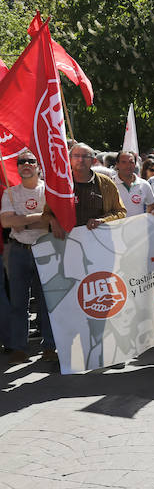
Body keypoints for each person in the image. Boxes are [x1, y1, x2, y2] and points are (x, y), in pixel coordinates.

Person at [1, 151, 54, 364]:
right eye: (21, 162)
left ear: (38, 166)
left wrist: (21, 220)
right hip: (18, 250)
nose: (25, 164)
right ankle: (19, 348)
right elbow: (5, 222)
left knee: (47, 301)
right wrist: (41, 218)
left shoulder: (48, 191)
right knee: (18, 301)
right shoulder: (11, 193)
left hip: (45, 250)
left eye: (30, 161)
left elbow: (52, 220)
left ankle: (50, 346)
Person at [46, 142, 126, 239]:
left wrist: (102, 220)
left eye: (85, 156)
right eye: (76, 156)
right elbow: (46, 214)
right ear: (69, 159)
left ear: (94, 160)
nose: (80, 160)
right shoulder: (59, 184)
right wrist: (53, 222)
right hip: (65, 242)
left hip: (97, 241)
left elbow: (120, 212)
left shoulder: (106, 183)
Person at [113, 151, 154, 217]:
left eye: (131, 162)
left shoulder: (144, 184)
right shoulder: (109, 184)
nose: (128, 165)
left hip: (138, 226)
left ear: (135, 164)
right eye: (124, 162)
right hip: (116, 226)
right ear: (117, 164)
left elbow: (151, 206)